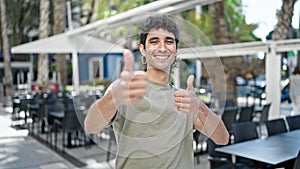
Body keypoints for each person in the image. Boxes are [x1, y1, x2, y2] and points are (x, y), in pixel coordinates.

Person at [84, 14, 229, 169]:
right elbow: (91, 126)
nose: (162, 47)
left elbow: (222, 139)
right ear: (143, 50)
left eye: (169, 41)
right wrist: (113, 98)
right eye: (154, 41)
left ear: (175, 51)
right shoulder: (125, 90)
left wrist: (200, 107)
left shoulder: (185, 100)